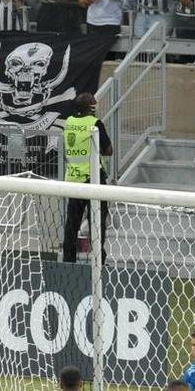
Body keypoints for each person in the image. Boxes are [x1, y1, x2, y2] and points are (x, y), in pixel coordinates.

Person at [62, 93, 113, 264]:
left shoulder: (69, 122)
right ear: (92, 108)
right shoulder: (95, 124)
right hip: (93, 178)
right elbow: (108, 150)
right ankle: (99, 260)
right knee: (96, 224)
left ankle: (68, 261)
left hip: (73, 179)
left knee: (72, 224)